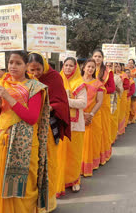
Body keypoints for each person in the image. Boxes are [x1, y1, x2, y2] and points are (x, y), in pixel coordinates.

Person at [0, 51, 50, 213]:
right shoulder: (1, 84)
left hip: (24, 146)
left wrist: (7, 97)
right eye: (11, 62)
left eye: (18, 63)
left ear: (26, 66)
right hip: (2, 141)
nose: (13, 66)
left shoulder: (35, 87)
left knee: (24, 189)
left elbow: (32, 118)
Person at [27, 52, 71, 212]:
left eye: (38, 69)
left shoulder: (54, 77)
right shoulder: (26, 79)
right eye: (31, 70)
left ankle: (48, 202)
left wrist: (50, 107)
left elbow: (62, 102)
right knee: (33, 164)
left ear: (44, 65)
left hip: (49, 125)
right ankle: (33, 203)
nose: (35, 74)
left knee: (48, 162)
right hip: (30, 127)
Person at [56, 57, 87, 194]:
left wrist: (66, 101)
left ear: (75, 68)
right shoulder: (57, 80)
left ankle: (75, 180)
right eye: (66, 65)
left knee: (73, 155)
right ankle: (59, 180)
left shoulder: (79, 83)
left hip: (75, 125)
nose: (67, 68)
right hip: (60, 122)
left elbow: (82, 103)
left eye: (70, 66)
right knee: (60, 155)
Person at [80, 59, 104, 177]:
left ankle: (90, 165)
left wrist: (91, 115)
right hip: (78, 115)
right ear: (83, 68)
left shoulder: (98, 83)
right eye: (88, 67)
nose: (90, 69)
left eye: (92, 67)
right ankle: (78, 166)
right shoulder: (77, 82)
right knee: (79, 142)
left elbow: (99, 102)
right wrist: (81, 114)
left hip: (91, 116)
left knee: (91, 141)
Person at [92, 49, 115, 165]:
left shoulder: (107, 72)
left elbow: (112, 88)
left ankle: (102, 155)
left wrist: (101, 90)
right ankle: (92, 156)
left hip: (103, 104)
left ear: (102, 58)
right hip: (90, 104)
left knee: (102, 129)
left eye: (99, 56)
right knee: (92, 131)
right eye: (95, 56)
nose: (97, 59)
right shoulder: (88, 69)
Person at [110, 63, 123, 143]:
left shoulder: (117, 77)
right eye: (108, 65)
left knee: (112, 119)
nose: (110, 67)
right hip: (103, 101)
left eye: (111, 66)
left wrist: (113, 86)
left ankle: (112, 137)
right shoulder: (102, 75)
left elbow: (120, 90)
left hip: (113, 100)